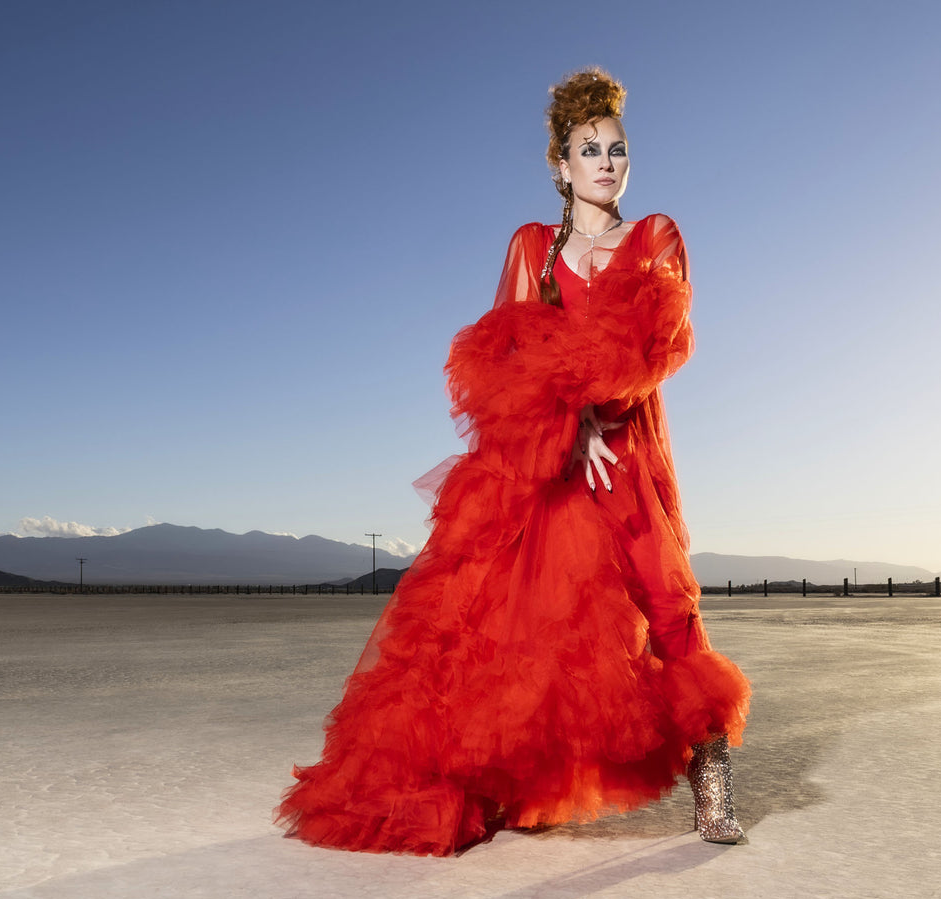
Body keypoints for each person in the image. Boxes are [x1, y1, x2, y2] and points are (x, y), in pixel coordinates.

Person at [275, 67, 751, 856]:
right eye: (587, 149)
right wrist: (567, 426)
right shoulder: (531, 246)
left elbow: (656, 345)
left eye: (617, 148)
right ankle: (506, 776)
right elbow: (503, 358)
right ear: (559, 166)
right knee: (515, 618)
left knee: (669, 602)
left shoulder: (656, 236)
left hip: (626, 452)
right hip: (553, 457)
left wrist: (597, 415)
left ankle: (713, 784)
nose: (605, 161)